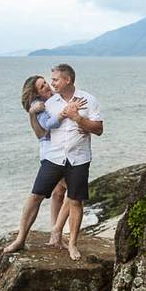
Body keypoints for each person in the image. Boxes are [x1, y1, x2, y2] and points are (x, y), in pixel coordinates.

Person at [4, 74, 86, 254]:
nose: (48, 87)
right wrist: (35, 114)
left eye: (47, 83)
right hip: (51, 153)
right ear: (36, 94)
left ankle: (55, 233)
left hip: (67, 154)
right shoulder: (40, 107)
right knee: (49, 194)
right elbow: (41, 134)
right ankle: (36, 235)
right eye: (42, 87)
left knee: (61, 192)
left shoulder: (57, 99)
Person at [41, 63, 103, 260]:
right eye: (51, 80)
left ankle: (73, 244)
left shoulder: (89, 100)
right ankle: (46, 233)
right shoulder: (51, 103)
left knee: (75, 200)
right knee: (37, 195)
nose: (53, 83)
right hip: (55, 158)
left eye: (56, 80)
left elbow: (99, 129)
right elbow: (44, 130)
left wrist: (78, 119)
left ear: (67, 80)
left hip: (79, 158)